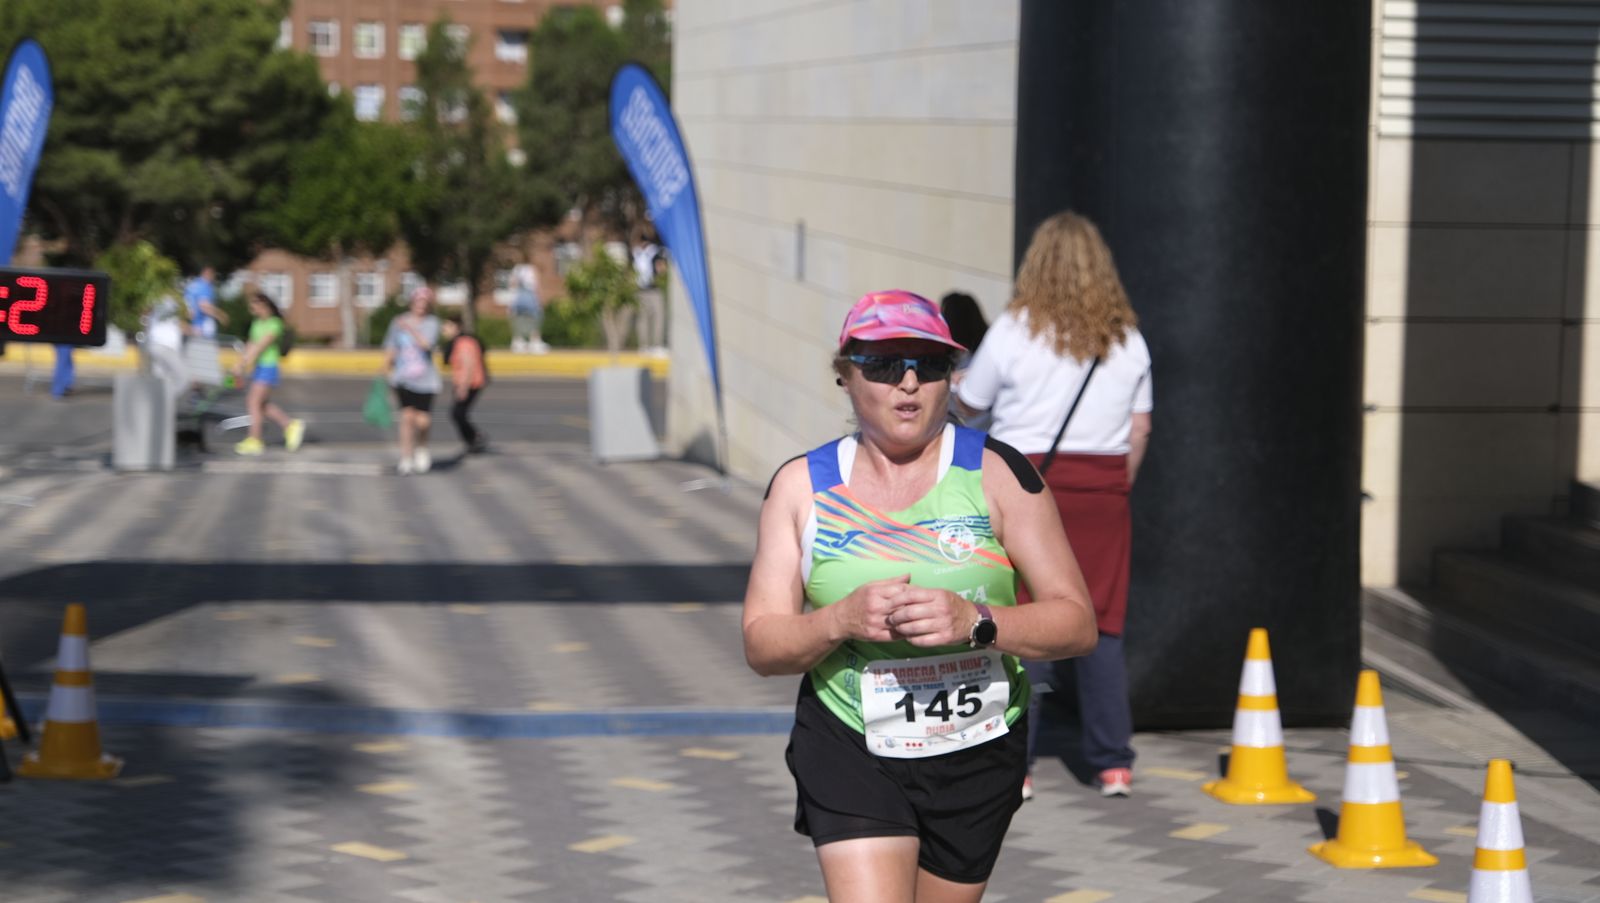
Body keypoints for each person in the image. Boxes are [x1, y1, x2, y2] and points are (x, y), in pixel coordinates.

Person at [744, 289, 1098, 902]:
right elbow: (763, 643)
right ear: (845, 376)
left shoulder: (1001, 475)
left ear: (951, 377)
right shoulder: (803, 485)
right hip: (852, 736)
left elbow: (1077, 623)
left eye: (928, 364)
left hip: (978, 746)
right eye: (883, 364)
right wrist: (838, 620)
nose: (908, 382)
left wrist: (978, 622)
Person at [954, 211, 1153, 801]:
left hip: (1026, 484)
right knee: (1102, 622)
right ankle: (1113, 761)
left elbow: (969, 405)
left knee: (1021, 620)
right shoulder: (1127, 338)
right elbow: (1139, 430)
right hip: (1104, 492)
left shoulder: (1014, 331)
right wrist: (1118, 485)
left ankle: (1015, 761)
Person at [232, 292, 305, 456]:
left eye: (255, 306)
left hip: (269, 367)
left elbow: (261, 346)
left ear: (264, 305)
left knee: (253, 401)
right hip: (258, 368)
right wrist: (239, 363)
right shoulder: (257, 323)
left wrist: (244, 363)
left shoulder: (275, 324)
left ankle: (255, 440)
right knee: (262, 405)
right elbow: (251, 344)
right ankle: (290, 425)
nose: (252, 309)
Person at [383, 284, 443, 474]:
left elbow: (427, 345)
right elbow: (392, 346)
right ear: (412, 302)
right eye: (418, 301)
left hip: (426, 378)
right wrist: (386, 367)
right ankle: (406, 456)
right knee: (407, 417)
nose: (421, 305)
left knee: (423, 420)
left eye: (425, 302)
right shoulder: (398, 321)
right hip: (403, 377)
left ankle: (422, 448)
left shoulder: (432, 323)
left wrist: (410, 329)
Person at [439, 313, 490, 454]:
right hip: (466, 382)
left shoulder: (464, 342)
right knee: (458, 414)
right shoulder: (458, 341)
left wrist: (463, 387)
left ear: (456, 327)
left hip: (470, 383)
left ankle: (474, 438)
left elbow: (468, 364)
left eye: (447, 326)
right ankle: (473, 439)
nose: (444, 329)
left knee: (457, 413)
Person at [633, 238, 666, 356]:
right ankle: (644, 346)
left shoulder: (655, 253)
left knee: (658, 316)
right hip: (640, 290)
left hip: (654, 289)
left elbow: (661, 268)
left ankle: (656, 345)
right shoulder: (634, 253)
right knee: (642, 318)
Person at [509, 257, 548, 354]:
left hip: (518, 296)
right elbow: (537, 285)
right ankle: (535, 341)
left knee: (518, 318)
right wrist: (540, 299)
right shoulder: (532, 269)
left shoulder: (517, 269)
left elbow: (512, 284)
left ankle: (518, 341)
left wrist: (512, 300)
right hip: (529, 295)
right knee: (536, 317)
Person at [183, 266, 228, 339]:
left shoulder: (192, 285)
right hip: (202, 326)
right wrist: (221, 316)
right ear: (209, 274)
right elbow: (204, 306)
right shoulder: (205, 286)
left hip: (190, 325)